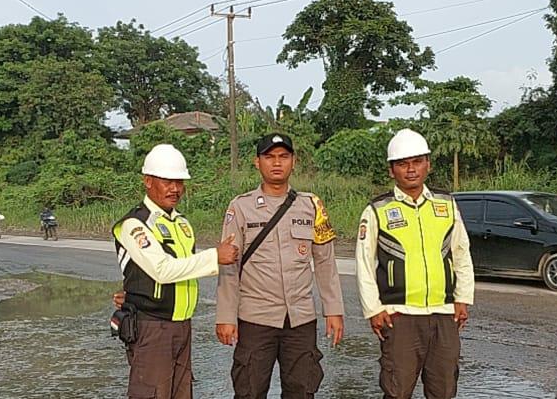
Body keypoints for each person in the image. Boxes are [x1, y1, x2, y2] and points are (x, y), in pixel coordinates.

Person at [215, 133, 344, 399]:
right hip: (255, 319)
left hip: (300, 320)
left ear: (293, 162)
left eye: (284, 157)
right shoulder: (241, 207)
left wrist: (333, 310)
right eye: (269, 157)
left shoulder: (311, 205)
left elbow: (325, 261)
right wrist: (226, 317)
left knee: (302, 390)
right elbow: (229, 265)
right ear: (257, 162)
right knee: (249, 391)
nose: (277, 163)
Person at [354, 129, 475, 399]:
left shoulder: (446, 204)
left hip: (444, 313)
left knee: (444, 390)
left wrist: (463, 298)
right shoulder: (377, 210)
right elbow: (364, 263)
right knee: (397, 390)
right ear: (391, 170)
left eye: (417, 162)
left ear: (428, 164)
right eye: (403, 164)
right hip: (399, 315)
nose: (411, 169)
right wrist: (374, 309)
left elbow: (461, 252)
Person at [113, 144, 239, 399]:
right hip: (152, 327)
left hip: (182, 326)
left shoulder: (182, 223)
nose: (175, 189)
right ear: (148, 181)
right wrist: (214, 257)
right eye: (167, 181)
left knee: (182, 393)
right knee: (152, 392)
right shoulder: (134, 224)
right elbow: (162, 270)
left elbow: (183, 268)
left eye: (179, 182)